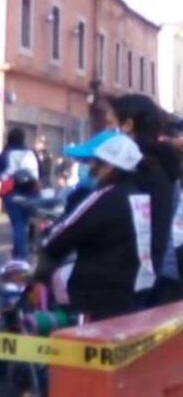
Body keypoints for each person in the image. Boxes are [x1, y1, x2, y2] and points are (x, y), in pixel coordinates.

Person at [40, 135, 151, 320]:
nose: (92, 169)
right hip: (135, 285)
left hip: (98, 290)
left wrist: (46, 244)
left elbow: (63, 235)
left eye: (96, 163)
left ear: (109, 166)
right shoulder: (141, 196)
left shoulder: (106, 196)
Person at [108, 94, 182, 305]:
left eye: (110, 124)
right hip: (162, 268)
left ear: (128, 125)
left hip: (135, 273)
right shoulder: (166, 163)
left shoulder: (138, 165)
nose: (107, 132)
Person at [0, 129, 41, 261]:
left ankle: (20, 256)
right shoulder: (32, 153)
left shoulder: (5, 154)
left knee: (17, 225)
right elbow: (40, 172)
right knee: (24, 224)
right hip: (31, 193)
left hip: (12, 193)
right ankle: (18, 251)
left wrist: (7, 174)